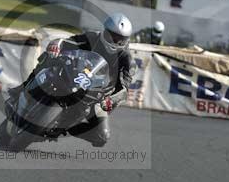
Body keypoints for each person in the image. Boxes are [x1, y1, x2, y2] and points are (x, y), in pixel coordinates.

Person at [10, 13, 136, 147]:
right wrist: (57, 44)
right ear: (105, 31)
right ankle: (23, 87)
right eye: (112, 36)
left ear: (126, 39)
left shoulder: (127, 59)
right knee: (49, 57)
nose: (114, 41)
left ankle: (66, 128)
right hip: (76, 75)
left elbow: (124, 87)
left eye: (119, 39)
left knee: (102, 137)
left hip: (99, 95)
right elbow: (68, 42)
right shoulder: (93, 37)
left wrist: (111, 99)